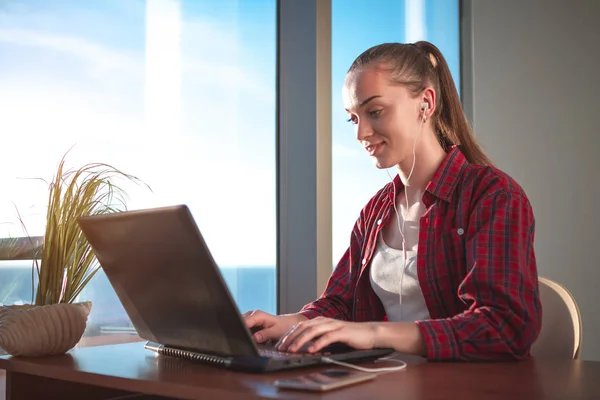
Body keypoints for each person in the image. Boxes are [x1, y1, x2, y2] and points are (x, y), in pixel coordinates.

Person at [243, 41, 542, 362]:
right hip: (387, 382)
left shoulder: (491, 194)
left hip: (468, 387)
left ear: (425, 102)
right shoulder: (375, 211)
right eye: (353, 119)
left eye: (375, 112)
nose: (361, 134)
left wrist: (373, 334)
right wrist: (289, 323)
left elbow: (505, 324)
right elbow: (341, 302)